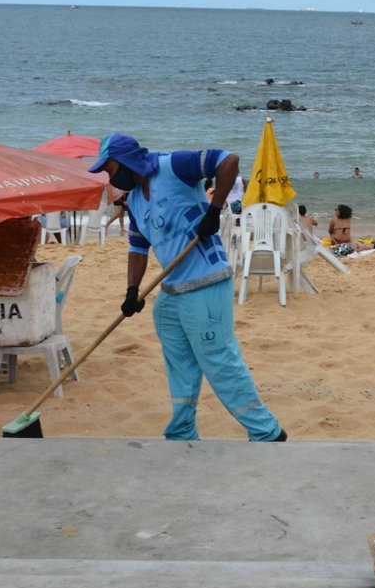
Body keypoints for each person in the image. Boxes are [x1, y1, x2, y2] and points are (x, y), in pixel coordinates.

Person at [89, 133, 286, 442]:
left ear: (125, 161)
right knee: (179, 361)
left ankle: (267, 431)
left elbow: (228, 161)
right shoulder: (136, 201)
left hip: (207, 280)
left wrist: (213, 210)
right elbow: (138, 248)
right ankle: (182, 430)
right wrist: (131, 291)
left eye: (109, 168)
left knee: (217, 358)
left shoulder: (174, 166)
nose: (108, 176)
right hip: (172, 291)